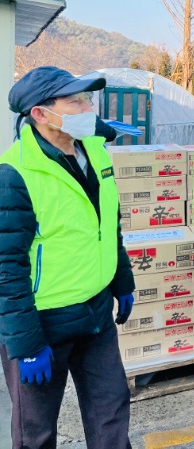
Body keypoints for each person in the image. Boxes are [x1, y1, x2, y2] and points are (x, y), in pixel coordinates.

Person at [0, 66, 135, 448]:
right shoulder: (15, 172)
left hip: (95, 314)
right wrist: (25, 346)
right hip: (44, 322)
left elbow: (107, 223)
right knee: (36, 432)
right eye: (75, 100)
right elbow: (6, 268)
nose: (87, 107)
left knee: (111, 412)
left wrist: (121, 280)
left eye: (87, 99)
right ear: (40, 114)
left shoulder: (92, 149)